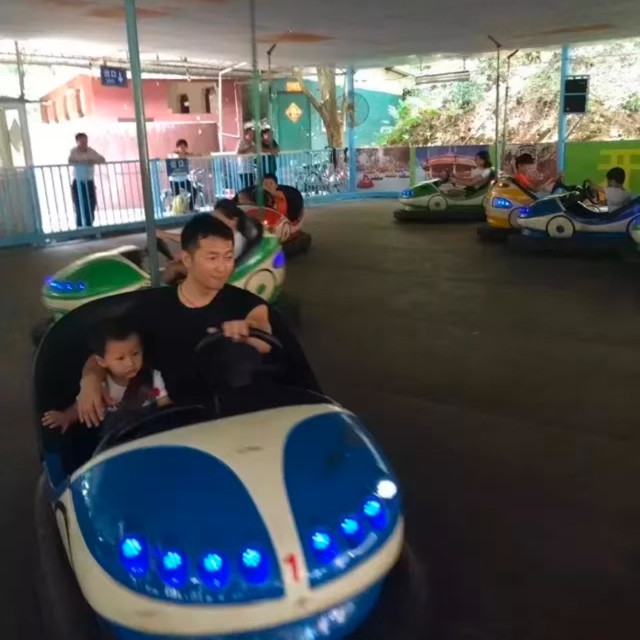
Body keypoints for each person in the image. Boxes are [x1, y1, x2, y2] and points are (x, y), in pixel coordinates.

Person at [76, 215, 272, 426]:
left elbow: (263, 335)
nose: (222, 267)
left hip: (233, 416)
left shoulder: (244, 302)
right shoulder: (153, 306)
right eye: (212, 258)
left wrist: (246, 331)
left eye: (228, 257)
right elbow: (107, 350)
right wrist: (90, 380)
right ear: (187, 259)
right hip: (170, 419)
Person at [42, 318, 170, 433]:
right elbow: (81, 407)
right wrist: (65, 417)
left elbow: (165, 407)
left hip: (149, 432)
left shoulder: (153, 377)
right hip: (115, 440)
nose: (130, 363)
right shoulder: (101, 386)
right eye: (120, 358)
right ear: (102, 361)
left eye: (135, 353)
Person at [68, 133, 105, 228]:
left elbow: (102, 159)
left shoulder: (91, 151)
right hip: (78, 181)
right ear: (77, 141)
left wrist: (91, 160)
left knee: (91, 203)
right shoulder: (74, 151)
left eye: (85, 139)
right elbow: (70, 161)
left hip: (89, 181)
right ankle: (80, 227)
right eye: (81, 140)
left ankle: (89, 225)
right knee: (79, 204)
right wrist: (85, 161)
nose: (84, 142)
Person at [169, 139, 197, 206]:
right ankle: (177, 209)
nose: (183, 148)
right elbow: (177, 156)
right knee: (177, 197)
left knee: (194, 191)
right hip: (174, 180)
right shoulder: (173, 154)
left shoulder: (187, 155)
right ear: (178, 148)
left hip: (183, 179)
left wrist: (192, 155)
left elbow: (197, 155)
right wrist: (188, 155)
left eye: (184, 147)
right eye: (181, 147)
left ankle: (190, 207)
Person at [236, 123, 257, 189]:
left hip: (251, 169)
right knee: (246, 188)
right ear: (246, 135)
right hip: (243, 170)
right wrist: (249, 148)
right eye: (250, 134)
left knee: (252, 187)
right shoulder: (242, 142)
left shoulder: (253, 143)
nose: (251, 136)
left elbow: (255, 154)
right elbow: (238, 153)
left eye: (252, 134)